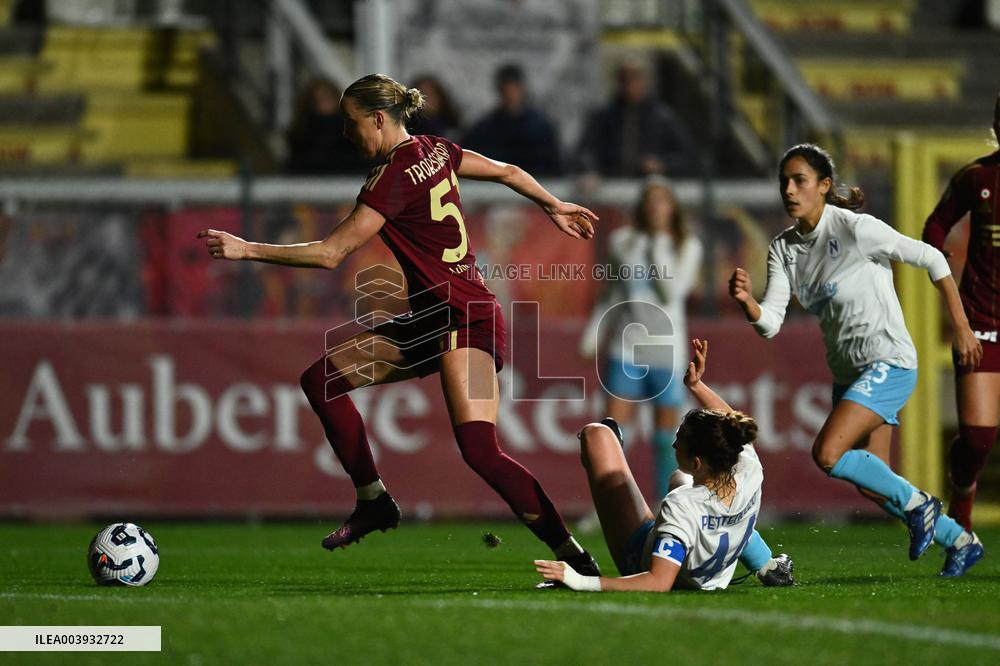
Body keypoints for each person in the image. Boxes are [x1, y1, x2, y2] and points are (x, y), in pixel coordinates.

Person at [198, 73, 604, 577]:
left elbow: (331, 253)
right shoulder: (436, 149)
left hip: (464, 319)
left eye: (350, 122)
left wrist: (247, 249)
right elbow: (507, 171)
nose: (346, 133)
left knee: (480, 450)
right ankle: (373, 500)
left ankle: (576, 559)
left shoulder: (392, 176)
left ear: (377, 118)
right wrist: (552, 203)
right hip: (438, 318)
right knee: (322, 381)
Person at [728, 143, 985, 577]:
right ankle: (959, 540)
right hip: (849, 374)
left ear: (824, 186)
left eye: (799, 181)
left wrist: (961, 327)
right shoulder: (784, 249)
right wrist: (747, 303)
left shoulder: (854, 228)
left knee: (828, 453)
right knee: (874, 480)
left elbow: (931, 257)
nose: (789, 190)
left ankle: (921, 506)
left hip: (889, 361)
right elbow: (770, 323)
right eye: (784, 182)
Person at [534, 339, 794, 592]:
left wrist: (580, 581)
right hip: (715, 568)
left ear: (697, 462)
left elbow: (658, 582)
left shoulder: (681, 506)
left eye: (679, 441)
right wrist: (696, 385)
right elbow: (728, 422)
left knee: (596, 435)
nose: (673, 445)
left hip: (642, 559)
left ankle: (610, 441)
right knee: (680, 478)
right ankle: (767, 565)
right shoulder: (748, 468)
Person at [580, 176, 703, 498]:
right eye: (650, 201)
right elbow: (611, 293)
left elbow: (671, 293)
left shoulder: (686, 246)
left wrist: (657, 247)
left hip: (667, 352)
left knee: (667, 439)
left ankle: (668, 503)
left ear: (672, 208)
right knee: (611, 433)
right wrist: (594, 332)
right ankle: (609, 503)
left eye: (662, 201)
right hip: (626, 348)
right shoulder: (622, 242)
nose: (655, 207)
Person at [921, 92, 1000, 531]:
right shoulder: (978, 177)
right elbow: (935, 225)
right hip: (982, 321)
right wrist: (939, 259)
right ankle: (962, 495)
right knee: (978, 438)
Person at [576, 59, 698, 179]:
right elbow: (585, 152)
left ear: (645, 80)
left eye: (635, 77)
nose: (630, 84)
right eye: (624, 78)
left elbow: (687, 157)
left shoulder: (663, 117)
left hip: (650, 184)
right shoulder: (604, 116)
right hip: (611, 184)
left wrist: (662, 164)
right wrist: (590, 170)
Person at [462, 63, 562, 176]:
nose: (511, 95)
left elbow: (553, 167)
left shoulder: (541, 128)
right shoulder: (484, 129)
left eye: (514, 90)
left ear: (522, 90)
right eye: (506, 91)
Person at [285, 77, 371, 175]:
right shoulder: (302, 134)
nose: (322, 106)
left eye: (326, 99)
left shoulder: (353, 133)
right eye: (316, 101)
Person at [407, 74, 462, 141]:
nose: (428, 98)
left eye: (432, 93)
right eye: (423, 94)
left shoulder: (451, 123)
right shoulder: (408, 127)